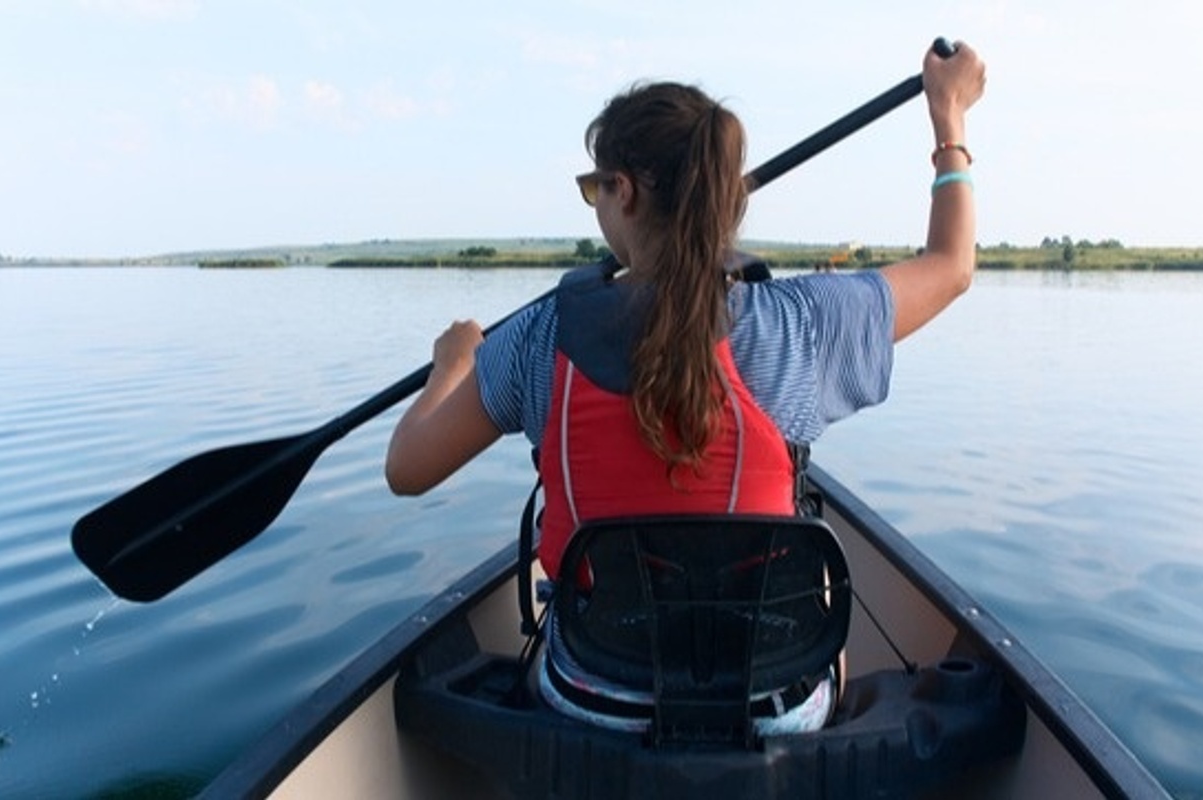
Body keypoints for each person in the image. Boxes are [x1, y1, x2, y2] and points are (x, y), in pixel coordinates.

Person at [386, 41, 986, 734]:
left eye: (593, 188)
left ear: (627, 192)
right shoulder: (800, 325)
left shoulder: (538, 337)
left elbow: (407, 468)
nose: (594, 203)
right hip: (773, 710)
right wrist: (950, 121)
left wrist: (452, 365)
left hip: (590, 699)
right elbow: (952, 266)